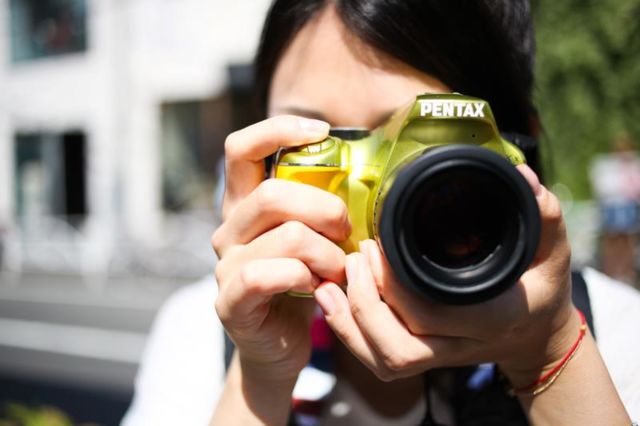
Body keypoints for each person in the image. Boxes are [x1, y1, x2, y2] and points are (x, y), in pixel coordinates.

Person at [123, 1, 640, 425]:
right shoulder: (199, 332)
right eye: (318, 144)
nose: (376, 191)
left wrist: (547, 353)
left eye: (415, 151)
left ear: (518, 145)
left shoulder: (615, 327)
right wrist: (259, 374)